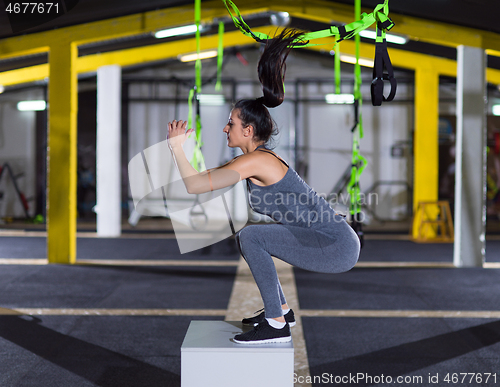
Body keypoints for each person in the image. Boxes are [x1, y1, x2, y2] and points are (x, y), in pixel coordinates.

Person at [167, 29, 360, 344]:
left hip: (336, 245)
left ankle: (276, 323)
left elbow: (195, 186)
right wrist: (182, 150)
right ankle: (281, 309)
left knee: (251, 236)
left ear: (248, 129)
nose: (226, 127)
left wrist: (176, 149)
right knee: (253, 236)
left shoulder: (257, 161)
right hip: (324, 239)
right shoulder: (252, 161)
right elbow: (200, 180)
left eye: (231, 123)